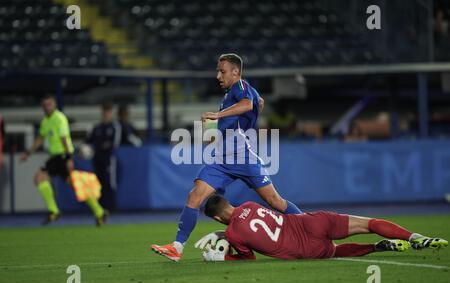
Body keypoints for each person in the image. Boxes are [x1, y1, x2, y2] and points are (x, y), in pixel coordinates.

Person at [151, 53, 302, 262]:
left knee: (274, 200)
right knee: (195, 196)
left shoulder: (240, 86)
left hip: (243, 157)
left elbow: (249, 104)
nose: (218, 76)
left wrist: (217, 115)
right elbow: (259, 101)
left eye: (222, 71)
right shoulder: (236, 91)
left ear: (235, 72)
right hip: (222, 160)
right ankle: (177, 247)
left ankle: (308, 225)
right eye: (217, 71)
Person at [195, 194, 448, 261]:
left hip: (304, 247)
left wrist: (225, 257)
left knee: (335, 251)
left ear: (217, 219)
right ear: (229, 203)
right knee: (368, 223)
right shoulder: (249, 203)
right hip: (310, 221)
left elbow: (247, 258)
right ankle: (416, 237)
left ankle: (376, 247)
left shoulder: (232, 233)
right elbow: (250, 219)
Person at [20, 95, 107, 226]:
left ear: (54, 104)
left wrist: (69, 158)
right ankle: (99, 212)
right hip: (55, 157)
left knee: (41, 178)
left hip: (62, 156)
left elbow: (64, 139)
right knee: (73, 184)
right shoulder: (45, 121)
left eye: (49, 104)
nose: (47, 107)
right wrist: (28, 153)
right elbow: (40, 138)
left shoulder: (59, 118)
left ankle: (54, 211)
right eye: (44, 105)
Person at [85, 103, 120, 210]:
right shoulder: (97, 128)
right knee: (97, 183)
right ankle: (100, 208)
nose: (106, 114)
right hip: (97, 159)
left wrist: (99, 146)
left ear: (111, 113)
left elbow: (113, 143)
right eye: (104, 112)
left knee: (109, 182)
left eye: (108, 112)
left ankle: (111, 207)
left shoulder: (114, 127)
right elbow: (89, 141)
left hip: (108, 159)